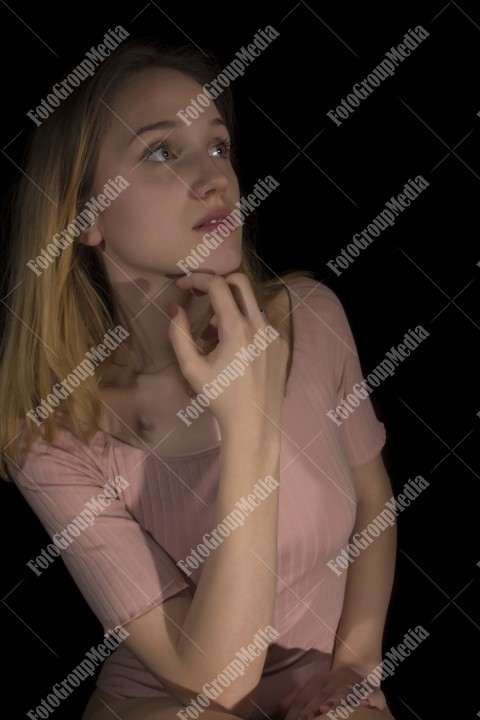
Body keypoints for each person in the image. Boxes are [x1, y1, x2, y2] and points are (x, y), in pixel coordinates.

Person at [0, 37, 397, 720]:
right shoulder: (54, 442)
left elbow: (371, 498)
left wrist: (358, 667)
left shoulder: (314, 318)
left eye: (217, 146)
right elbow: (217, 679)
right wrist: (247, 427)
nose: (217, 177)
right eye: (161, 151)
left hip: (314, 687)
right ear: (85, 216)